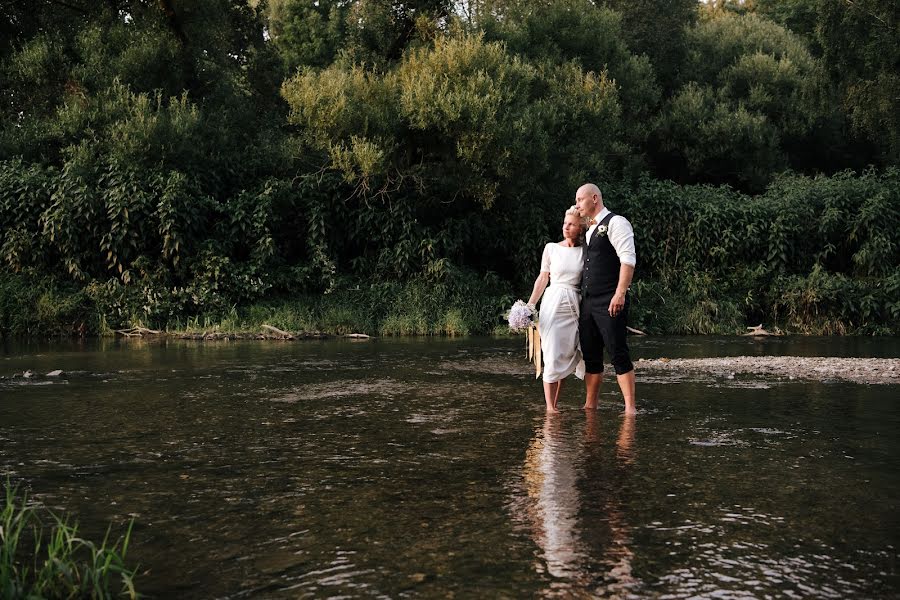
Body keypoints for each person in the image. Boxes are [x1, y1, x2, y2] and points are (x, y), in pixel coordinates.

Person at [574, 183, 637, 415]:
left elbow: (628, 260)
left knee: (617, 351)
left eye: (580, 200)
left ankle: (630, 407)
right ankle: (591, 404)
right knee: (591, 354)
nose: (577, 204)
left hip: (610, 298)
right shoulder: (589, 230)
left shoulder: (617, 222)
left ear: (594, 198)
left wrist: (620, 293)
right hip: (588, 302)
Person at [526, 207, 586, 413]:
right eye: (564, 223)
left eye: (571, 224)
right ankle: (550, 408)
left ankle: (556, 403)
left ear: (580, 228)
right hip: (553, 304)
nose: (566, 227)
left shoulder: (585, 252)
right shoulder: (551, 248)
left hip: (575, 306)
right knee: (551, 354)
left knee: (566, 354)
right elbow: (543, 278)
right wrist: (530, 305)